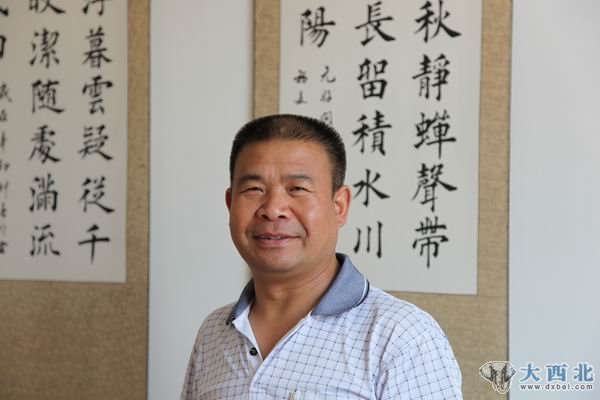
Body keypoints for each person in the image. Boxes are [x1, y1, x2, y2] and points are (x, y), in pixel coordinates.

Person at [181, 114, 462, 399]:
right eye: (254, 189)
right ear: (230, 204)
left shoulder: (401, 336)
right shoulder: (213, 332)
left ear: (339, 206)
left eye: (297, 189)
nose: (273, 209)